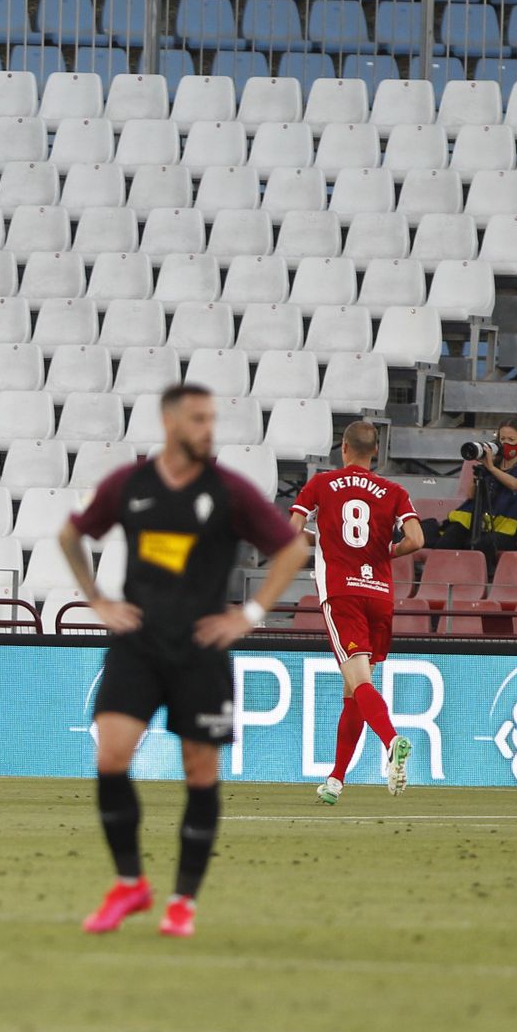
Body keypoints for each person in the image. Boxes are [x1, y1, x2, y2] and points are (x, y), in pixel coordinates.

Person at [59, 383, 311, 938]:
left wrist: (250, 614)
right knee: (112, 758)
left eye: (211, 419)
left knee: (200, 771)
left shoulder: (229, 489)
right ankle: (130, 885)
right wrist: (97, 601)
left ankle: (182, 902)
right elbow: (71, 534)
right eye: (199, 419)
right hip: (139, 644)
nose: (208, 429)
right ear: (170, 422)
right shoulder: (130, 484)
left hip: (201, 649)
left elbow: (293, 548)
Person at [289, 421, 424, 806]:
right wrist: (386, 552)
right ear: (375, 452)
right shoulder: (394, 491)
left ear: (343, 448)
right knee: (353, 689)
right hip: (379, 596)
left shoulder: (321, 485)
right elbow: (416, 539)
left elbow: (293, 530)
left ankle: (392, 740)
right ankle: (335, 780)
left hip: (343, 595)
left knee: (358, 682)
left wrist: (322, 541)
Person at [420, 418, 517, 573]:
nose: (505, 444)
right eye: (502, 439)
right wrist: (482, 470)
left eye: (511, 440)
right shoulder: (491, 465)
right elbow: (471, 495)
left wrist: (491, 469)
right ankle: (438, 578)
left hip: (504, 527)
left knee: (482, 545)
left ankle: (475, 583)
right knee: (447, 540)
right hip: (473, 520)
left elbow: (516, 485)